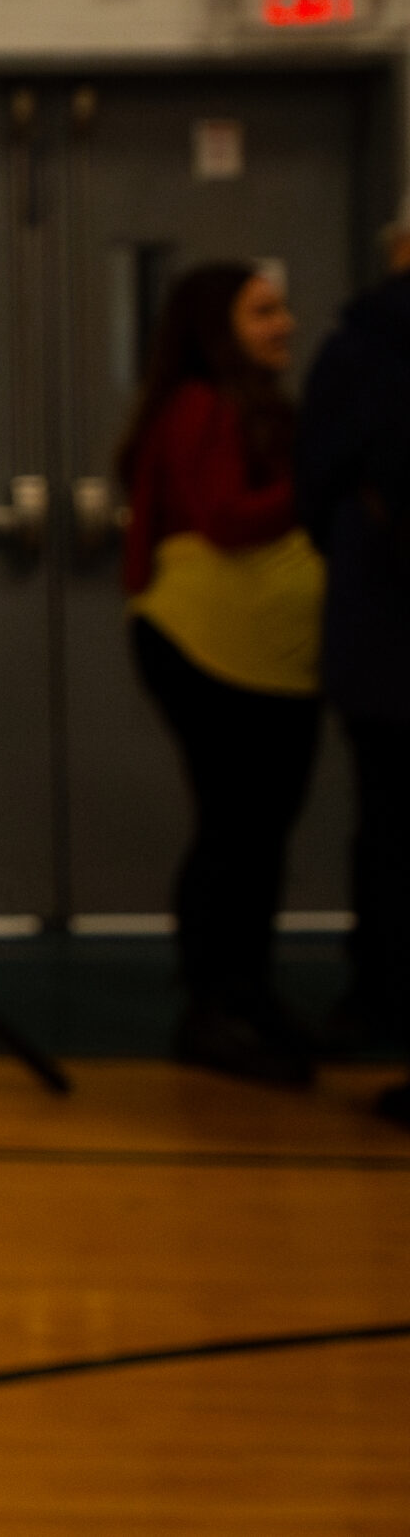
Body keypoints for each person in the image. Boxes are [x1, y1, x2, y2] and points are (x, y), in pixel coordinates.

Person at [117, 261, 324, 1087]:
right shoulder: (201, 407)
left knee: (257, 831)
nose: (285, 324)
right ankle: (214, 1007)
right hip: (209, 653)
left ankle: (248, 994)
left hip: (261, 658)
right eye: (264, 312)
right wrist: (322, 485)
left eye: (282, 307)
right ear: (218, 327)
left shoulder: (249, 406)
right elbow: (227, 520)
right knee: (235, 830)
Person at [298, 211, 410, 1128]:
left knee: (390, 834)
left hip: (384, 638)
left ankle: (378, 997)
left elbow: (317, 487)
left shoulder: (361, 352)